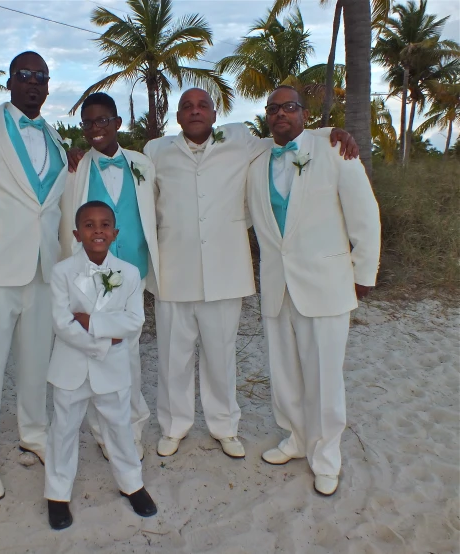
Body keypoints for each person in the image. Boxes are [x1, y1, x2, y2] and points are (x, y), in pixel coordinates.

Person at [143, 88, 359, 459]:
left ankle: (224, 426)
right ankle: (174, 425)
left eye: (202, 105)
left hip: (225, 271)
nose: (195, 111)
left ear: (214, 114)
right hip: (173, 270)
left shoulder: (240, 139)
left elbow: (285, 136)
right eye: (187, 107)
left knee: (221, 356)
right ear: (177, 117)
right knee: (172, 358)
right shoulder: (155, 152)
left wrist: (332, 134)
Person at [246, 85, 381, 496]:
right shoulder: (256, 166)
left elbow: (365, 217)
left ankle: (327, 457)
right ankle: (295, 438)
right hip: (277, 285)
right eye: (272, 109)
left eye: (288, 106)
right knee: (284, 372)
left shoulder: (335, 150)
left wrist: (362, 275)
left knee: (324, 376)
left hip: (326, 285)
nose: (279, 114)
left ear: (304, 113)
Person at [0, 51, 68, 500]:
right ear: (9, 80)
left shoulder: (57, 139)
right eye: (25, 75)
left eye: (42, 77)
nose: (34, 83)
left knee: (36, 362)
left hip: (44, 267)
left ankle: (34, 431)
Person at [45, 200, 157, 530]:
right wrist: (105, 339)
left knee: (120, 428)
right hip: (72, 367)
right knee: (63, 430)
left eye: (105, 224)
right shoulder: (62, 272)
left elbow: (134, 321)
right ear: (77, 233)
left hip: (113, 370)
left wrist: (92, 323)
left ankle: (131, 484)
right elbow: (62, 324)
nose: (98, 230)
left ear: (115, 232)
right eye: (90, 225)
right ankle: (57, 493)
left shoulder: (130, 272)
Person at [59, 92, 159, 461]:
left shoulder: (143, 164)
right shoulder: (75, 168)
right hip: (88, 275)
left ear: (118, 123)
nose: (96, 128)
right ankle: (105, 432)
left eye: (103, 121)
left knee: (127, 354)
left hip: (134, 274)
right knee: (97, 355)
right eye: (88, 122)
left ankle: (132, 427)